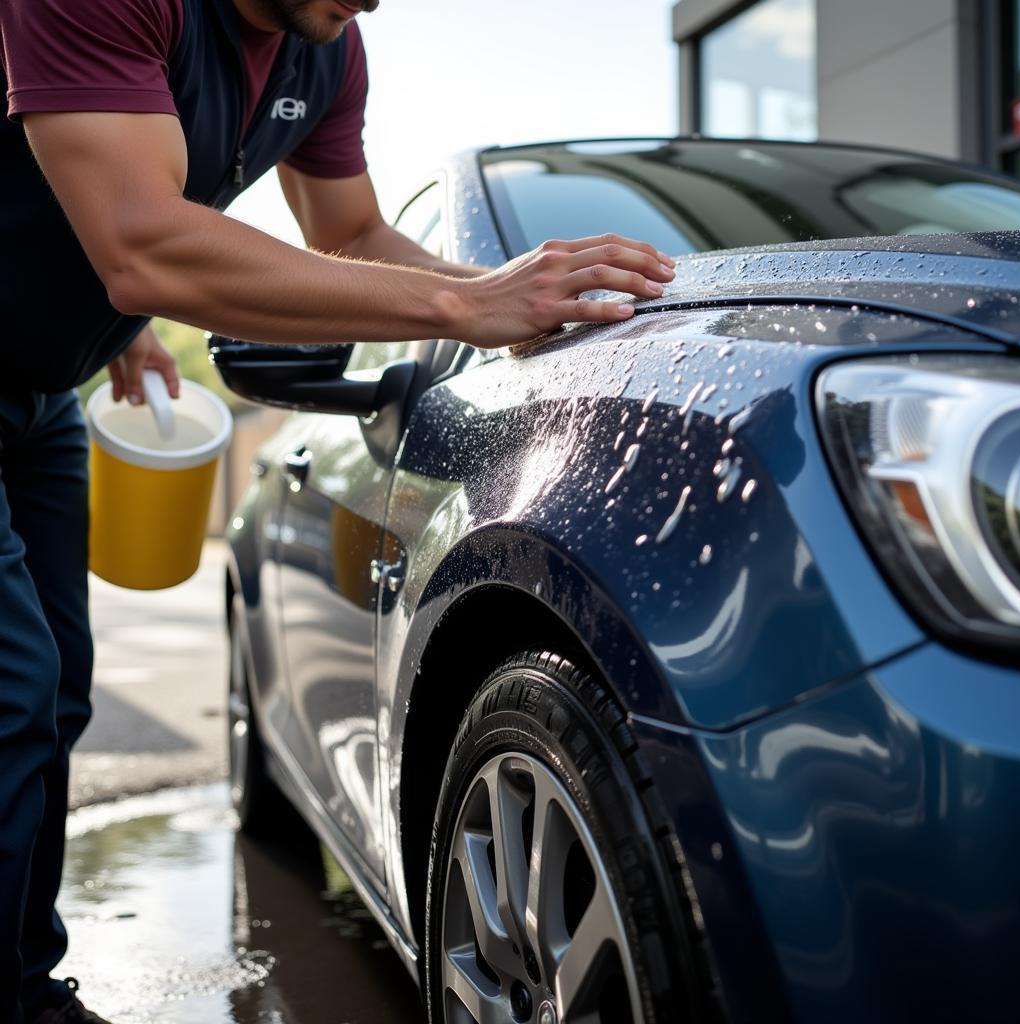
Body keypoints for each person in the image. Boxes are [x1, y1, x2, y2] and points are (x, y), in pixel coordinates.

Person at [0, 0, 676, 1019]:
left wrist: (511, 299)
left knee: (54, 697)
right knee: (9, 688)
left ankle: (24, 985)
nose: (372, 2)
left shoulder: (325, 49)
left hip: (46, 386)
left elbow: (351, 232)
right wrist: (462, 305)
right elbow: (139, 244)